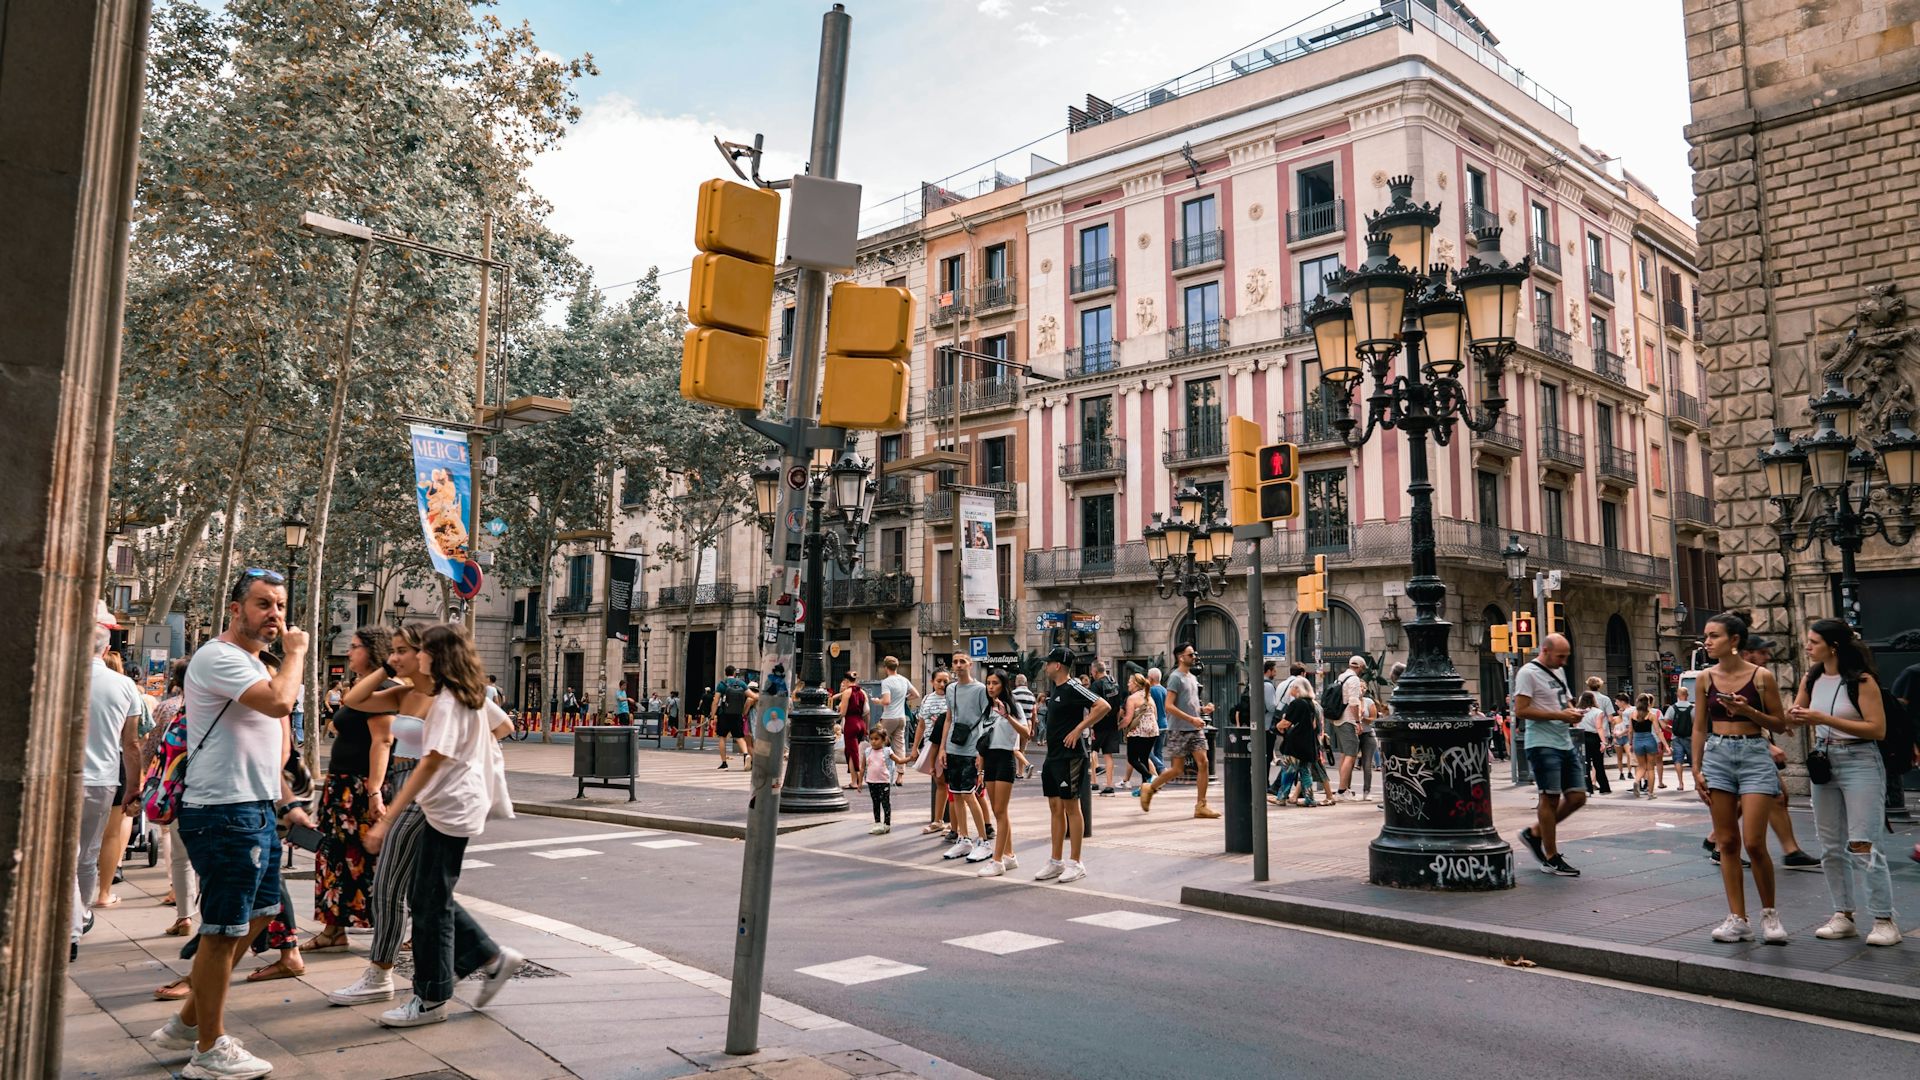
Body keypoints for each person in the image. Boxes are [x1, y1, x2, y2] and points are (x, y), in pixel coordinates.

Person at [148, 570, 307, 1076]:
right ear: (235, 610)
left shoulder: (254, 664)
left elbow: (269, 744)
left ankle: (188, 1022)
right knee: (221, 931)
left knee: (260, 914)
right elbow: (281, 702)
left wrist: (285, 803)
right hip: (223, 812)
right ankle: (209, 1051)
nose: (275, 615)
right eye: (263, 604)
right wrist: (298, 652)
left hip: (254, 808)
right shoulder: (219, 657)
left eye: (280, 606)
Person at [362, 624, 523, 1027]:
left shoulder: (451, 702)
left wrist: (389, 817)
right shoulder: (458, 697)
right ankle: (491, 957)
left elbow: (430, 763)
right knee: (429, 897)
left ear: (436, 656)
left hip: (449, 809)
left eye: (421, 651)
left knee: (430, 905)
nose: (415, 656)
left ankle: (431, 998)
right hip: (449, 807)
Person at [326, 626, 433, 1008]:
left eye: (402, 651)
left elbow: (499, 726)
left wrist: (380, 805)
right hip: (403, 784)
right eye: (393, 651)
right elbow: (354, 700)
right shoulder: (403, 693)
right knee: (425, 888)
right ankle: (484, 958)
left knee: (389, 883)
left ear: (425, 654)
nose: (394, 656)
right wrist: (387, 666)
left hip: (423, 790)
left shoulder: (447, 697)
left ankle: (381, 973)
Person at [1787, 619, 1901, 947]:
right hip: (1824, 763)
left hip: (1861, 762)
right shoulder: (1813, 677)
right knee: (1830, 846)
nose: (1807, 646)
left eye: (1813, 642)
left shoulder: (1861, 681)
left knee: (1863, 844)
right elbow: (1795, 715)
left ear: (1833, 646)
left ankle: (1884, 919)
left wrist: (1822, 719)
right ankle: (1843, 915)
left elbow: (1876, 729)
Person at [1692, 610, 1791, 944]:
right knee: (1728, 842)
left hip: (1753, 753)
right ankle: (1738, 918)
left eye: (1714, 636)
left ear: (1734, 641)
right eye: (1706, 636)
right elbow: (1699, 726)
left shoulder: (1761, 677)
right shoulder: (1705, 678)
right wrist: (1696, 768)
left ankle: (1770, 916)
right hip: (1717, 755)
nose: (1707, 641)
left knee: (1753, 842)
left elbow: (1779, 724)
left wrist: (1748, 711)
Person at [303, 626, 395, 954]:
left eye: (356, 647)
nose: (350, 651)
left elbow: (383, 741)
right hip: (341, 787)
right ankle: (333, 930)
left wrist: (373, 792)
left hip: (359, 788)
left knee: (368, 860)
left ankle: (393, 929)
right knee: (334, 859)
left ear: (373, 650)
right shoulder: (360, 688)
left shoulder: (382, 689)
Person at [72, 602, 143, 958]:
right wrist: (134, 786)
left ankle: (71, 922)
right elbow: (131, 745)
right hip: (103, 779)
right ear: (105, 648)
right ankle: (81, 915)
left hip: (64, 778)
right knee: (87, 854)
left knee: (65, 853)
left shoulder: (62, 680)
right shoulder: (125, 687)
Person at [1513, 634, 1587, 877]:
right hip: (1542, 743)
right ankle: (1551, 856)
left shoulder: (1559, 672)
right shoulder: (1527, 673)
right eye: (1561, 656)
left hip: (1563, 741)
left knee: (1577, 797)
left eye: (1567, 657)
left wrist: (1573, 712)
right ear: (1545, 650)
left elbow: (1562, 703)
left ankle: (1534, 833)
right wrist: (1560, 716)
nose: (1564, 662)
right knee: (1550, 798)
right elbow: (1521, 710)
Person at [1033, 647, 1107, 883]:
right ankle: (1056, 861)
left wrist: (1079, 729)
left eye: (1048, 662)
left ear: (1057, 665)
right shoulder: (1056, 689)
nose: (1045, 666)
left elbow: (1103, 706)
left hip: (1070, 756)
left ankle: (1076, 863)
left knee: (1071, 807)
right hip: (1053, 756)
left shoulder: (1073, 686)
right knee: (1055, 807)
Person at [146, 661, 196, 938]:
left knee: (181, 856)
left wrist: (144, 780)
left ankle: (185, 915)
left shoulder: (169, 709)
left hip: (175, 791)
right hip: (213, 791)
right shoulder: (217, 709)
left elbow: (153, 748)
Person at [1139, 643, 1218, 818]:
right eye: (1191, 654)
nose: (1195, 657)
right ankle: (1150, 788)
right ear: (1181, 657)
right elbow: (1168, 706)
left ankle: (1201, 805)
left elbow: (1191, 703)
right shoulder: (1176, 677)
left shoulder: (1191, 677)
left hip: (1194, 728)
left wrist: (1203, 710)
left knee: (1203, 763)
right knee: (1177, 769)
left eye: (1194, 654)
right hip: (1178, 729)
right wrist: (1192, 719)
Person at [976, 670, 1034, 877]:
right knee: (999, 811)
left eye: (995, 683)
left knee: (1000, 811)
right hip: (989, 759)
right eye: (988, 683)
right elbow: (983, 741)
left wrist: (1007, 716)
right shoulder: (987, 708)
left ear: (1004, 685)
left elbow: (1026, 733)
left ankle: (997, 860)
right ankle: (1010, 855)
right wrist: (980, 770)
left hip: (1005, 758)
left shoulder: (1013, 705)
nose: (990, 687)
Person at [934, 654, 990, 864]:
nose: (957, 665)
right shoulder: (951, 689)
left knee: (969, 795)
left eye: (962, 662)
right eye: (955, 662)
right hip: (953, 747)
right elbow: (949, 718)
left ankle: (984, 842)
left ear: (970, 664)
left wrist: (980, 752)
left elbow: (987, 719)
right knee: (956, 793)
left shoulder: (980, 690)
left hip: (972, 748)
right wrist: (942, 748)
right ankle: (964, 838)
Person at [918, 669, 953, 836]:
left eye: (945, 681)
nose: (942, 684)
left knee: (953, 785)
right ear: (932, 682)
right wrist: (915, 747)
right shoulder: (926, 699)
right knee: (940, 783)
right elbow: (921, 724)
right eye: (939, 681)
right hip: (931, 745)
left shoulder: (952, 698)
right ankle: (938, 821)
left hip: (949, 746)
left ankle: (954, 823)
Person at [1329, 655, 1367, 799]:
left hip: (1338, 720)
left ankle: (1344, 788)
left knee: (1345, 755)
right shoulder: (1354, 679)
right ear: (1360, 667)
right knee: (1351, 755)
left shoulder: (1341, 677)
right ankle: (1342, 791)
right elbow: (1353, 702)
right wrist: (1357, 722)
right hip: (1348, 720)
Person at [863, 726, 911, 835]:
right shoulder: (867, 751)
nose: (873, 742)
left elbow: (899, 760)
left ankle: (887, 824)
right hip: (871, 782)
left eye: (876, 739)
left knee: (885, 802)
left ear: (884, 740)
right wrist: (860, 782)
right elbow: (862, 767)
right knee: (875, 803)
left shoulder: (887, 751)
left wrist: (910, 758)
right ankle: (877, 823)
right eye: (871, 739)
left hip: (883, 781)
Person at [874, 655, 918, 770]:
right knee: (900, 746)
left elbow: (886, 701)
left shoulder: (887, 682)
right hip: (901, 717)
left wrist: (877, 701)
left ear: (885, 667)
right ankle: (900, 774)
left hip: (889, 717)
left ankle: (881, 769)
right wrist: (904, 698)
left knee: (879, 742)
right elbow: (916, 694)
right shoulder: (904, 680)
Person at [1089, 660, 1123, 794]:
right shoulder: (1114, 684)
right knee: (1108, 755)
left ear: (1095, 671)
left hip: (1099, 723)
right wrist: (1117, 722)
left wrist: (1091, 725)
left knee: (1093, 751)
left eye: (1092, 671)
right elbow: (1119, 707)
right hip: (1112, 724)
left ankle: (1094, 782)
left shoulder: (1096, 685)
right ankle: (1109, 785)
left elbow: (1094, 707)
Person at [711, 666, 755, 769]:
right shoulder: (741, 683)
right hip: (737, 714)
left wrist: (712, 715)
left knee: (722, 737)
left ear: (725, 673)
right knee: (739, 737)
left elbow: (716, 701)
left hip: (724, 714)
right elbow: (752, 696)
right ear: (734, 673)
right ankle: (746, 754)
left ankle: (724, 763)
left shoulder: (722, 684)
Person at [1122, 673, 1158, 795]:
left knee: (1132, 759)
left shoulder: (1132, 698)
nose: (1127, 684)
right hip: (1153, 731)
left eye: (1129, 682)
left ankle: (1150, 777)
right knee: (1143, 759)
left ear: (1136, 684)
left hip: (1138, 731)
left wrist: (1117, 727)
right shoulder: (1149, 697)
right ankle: (1145, 789)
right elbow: (1155, 715)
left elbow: (1127, 719)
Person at [832, 673, 869, 791]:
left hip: (851, 723)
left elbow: (842, 713)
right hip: (860, 723)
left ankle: (855, 781)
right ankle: (857, 778)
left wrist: (834, 717)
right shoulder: (862, 692)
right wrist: (866, 727)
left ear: (847, 681)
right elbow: (867, 711)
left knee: (852, 753)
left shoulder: (847, 692)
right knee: (856, 750)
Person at [1573, 691, 1613, 796]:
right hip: (1594, 738)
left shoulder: (1576, 711)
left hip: (1581, 737)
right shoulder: (1598, 712)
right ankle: (1604, 788)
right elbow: (1599, 728)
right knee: (1598, 763)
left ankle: (1587, 789)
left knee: (1584, 764)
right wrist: (1603, 742)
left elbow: (1575, 725)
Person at [1626, 693, 1662, 799]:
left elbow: (1630, 731)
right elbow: (1658, 731)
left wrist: (1631, 743)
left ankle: (1637, 781)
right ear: (1649, 703)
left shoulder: (1632, 715)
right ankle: (1651, 793)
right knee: (1650, 769)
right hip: (1650, 740)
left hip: (1637, 741)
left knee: (1641, 766)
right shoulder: (1651, 715)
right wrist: (1665, 745)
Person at [1667, 687, 1695, 793]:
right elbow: (1698, 723)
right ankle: (1696, 783)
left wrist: (1671, 730)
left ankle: (1680, 783)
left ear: (1678, 695)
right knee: (1694, 761)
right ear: (1687, 695)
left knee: (1678, 760)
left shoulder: (1672, 708)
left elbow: (1664, 722)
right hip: (1690, 737)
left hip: (1676, 737)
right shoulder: (1692, 708)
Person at [1146, 667, 1169, 774]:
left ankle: (1161, 768)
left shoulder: (1150, 691)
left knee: (1146, 751)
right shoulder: (1165, 690)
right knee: (1158, 751)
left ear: (1150, 678)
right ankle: (1161, 773)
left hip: (1153, 725)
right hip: (1164, 723)